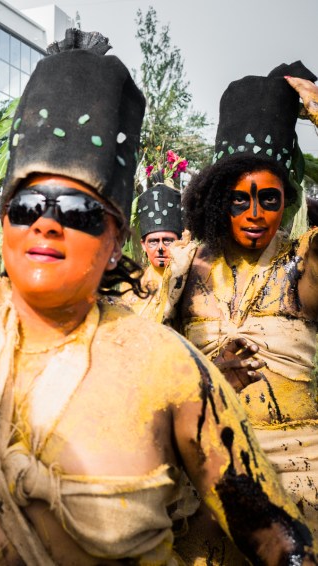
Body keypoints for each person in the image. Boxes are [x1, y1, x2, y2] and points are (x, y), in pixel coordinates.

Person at [0, 33, 316, 565]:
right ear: (4, 219)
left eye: (78, 212)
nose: (48, 224)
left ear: (116, 237)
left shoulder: (172, 369)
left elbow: (277, 540)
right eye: (29, 204)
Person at [150, 63, 318, 557]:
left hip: (300, 497)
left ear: (286, 200)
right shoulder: (184, 271)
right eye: (239, 199)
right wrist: (203, 378)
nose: (254, 214)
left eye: (269, 198)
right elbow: (142, 378)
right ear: (218, 199)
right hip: (207, 498)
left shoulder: (303, 265)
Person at [122, 183, 183, 317]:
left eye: (168, 241)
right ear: (143, 245)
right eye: (153, 242)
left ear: (180, 241)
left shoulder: (192, 283)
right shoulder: (130, 285)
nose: (160, 248)